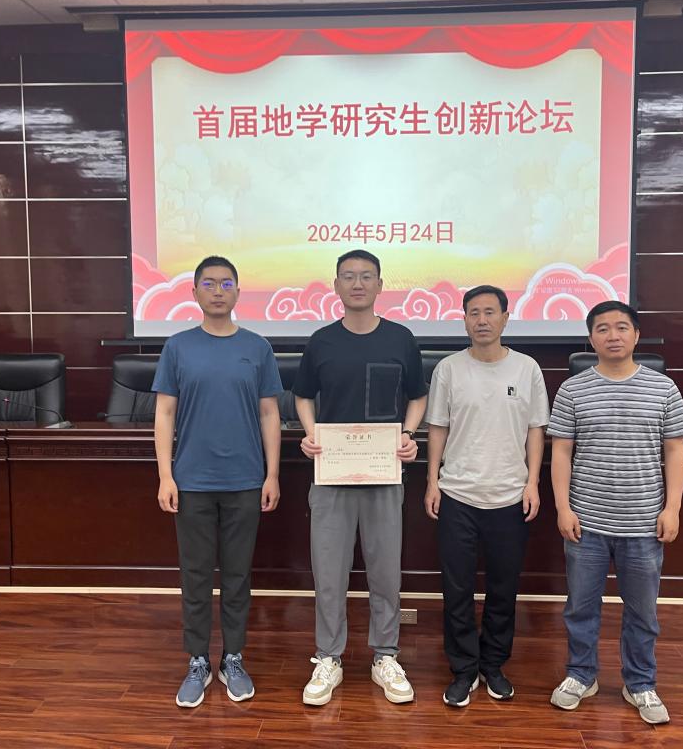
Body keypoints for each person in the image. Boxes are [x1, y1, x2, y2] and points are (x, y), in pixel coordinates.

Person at [292, 249, 427, 706]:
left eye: (366, 276)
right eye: (348, 276)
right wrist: (311, 434)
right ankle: (328, 657)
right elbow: (303, 396)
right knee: (329, 571)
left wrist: (408, 435)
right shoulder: (321, 342)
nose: (357, 284)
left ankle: (385, 655)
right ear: (336, 286)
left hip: (384, 474)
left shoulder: (401, 339)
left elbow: (418, 397)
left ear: (380, 285)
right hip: (331, 474)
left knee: (385, 570)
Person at [547, 300, 683, 725]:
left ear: (636, 335)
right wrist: (563, 507)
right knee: (580, 607)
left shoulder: (664, 389)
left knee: (642, 611)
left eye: (622, 327)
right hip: (586, 521)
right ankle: (581, 675)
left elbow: (675, 452)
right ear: (591, 338)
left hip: (643, 522)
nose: (613, 335)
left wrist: (672, 508)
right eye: (603, 328)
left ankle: (640, 683)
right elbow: (561, 453)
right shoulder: (572, 390)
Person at [152, 255, 283, 708]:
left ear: (238, 292)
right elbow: (164, 412)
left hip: (245, 480)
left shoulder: (257, 347)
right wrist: (165, 475)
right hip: (192, 482)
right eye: (209, 284)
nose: (218, 291)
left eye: (227, 283)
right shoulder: (178, 347)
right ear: (194, 293)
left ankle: (233, 657)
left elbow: (270, 413)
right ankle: (197, 660)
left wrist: (272, 474)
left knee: (237, 575)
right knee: (194, 575)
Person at [424, 285, 550, 708]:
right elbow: (437, 427)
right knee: (456, 588)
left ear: (505, 318)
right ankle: (463, 668)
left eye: (490, 312)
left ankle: (493, 665)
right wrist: (432, 481)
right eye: (473, 312)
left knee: (503, 587)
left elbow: (536, 429)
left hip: (510, 495)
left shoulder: (527, 368)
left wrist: (532, 482)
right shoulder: (448, 369)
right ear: (464, 319)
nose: (482, 320)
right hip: (457, 493)